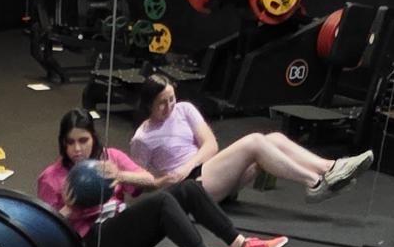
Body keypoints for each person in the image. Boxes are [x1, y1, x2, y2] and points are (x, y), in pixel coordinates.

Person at [36, 109, 284, 247]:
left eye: (83, 141)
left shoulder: (109, 157)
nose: (77, 149)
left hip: (124, 235)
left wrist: (120, 175)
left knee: (189, 188)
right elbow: (45, 235)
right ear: (62, 144)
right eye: (70, 143)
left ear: (93, 138)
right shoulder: (52, 176)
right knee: (162, 203)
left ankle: (240, 244)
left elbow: (149, 181)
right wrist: (69, 209)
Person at [128, 73, 373, 204]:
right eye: (162, 103)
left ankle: (330, 168)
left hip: (209, 173)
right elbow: (140, 184)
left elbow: (210, 145)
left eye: (171, 98)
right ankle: (315, 183)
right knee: (255, 141)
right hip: (192, 189)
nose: (169, 106)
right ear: (148, 104)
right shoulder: (142, 138)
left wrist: (186, 166)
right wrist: (168, 179)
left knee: (274, 138)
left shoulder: (184, 109)